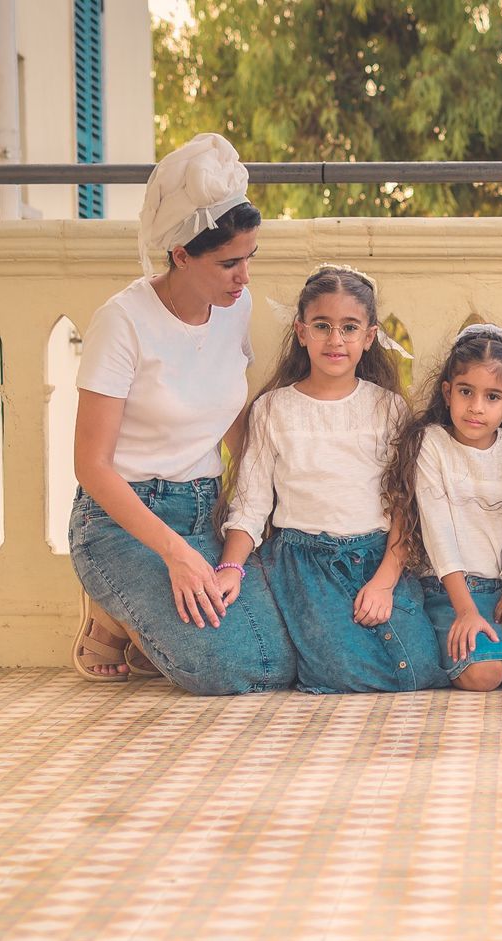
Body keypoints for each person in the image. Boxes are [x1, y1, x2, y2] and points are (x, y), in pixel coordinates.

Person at [66, 133, 295, 695]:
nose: (244, 278)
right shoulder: (122, 322)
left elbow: (230, 415)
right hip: (123, 521)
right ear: (180, 255)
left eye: (250, 259)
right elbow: (91, 466)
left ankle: (148, 624)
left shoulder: (231, 310)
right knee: (226, 669)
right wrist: (175, 555)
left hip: (203, 511)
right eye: (228, 264)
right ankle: (110, 610)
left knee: (280, 659)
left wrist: (262, 496)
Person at [214, 265, 447, 694]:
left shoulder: (389, 408)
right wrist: (230, 566)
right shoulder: (274, 409)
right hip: (304, 560)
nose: (335, 340)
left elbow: (404, 506)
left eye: (349, 328)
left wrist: (384, 580)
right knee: (340, 672)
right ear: (302, 332)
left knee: (417, 669)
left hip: (377, 555)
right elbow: (250, 502)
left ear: (369, 336)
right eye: (322, 326)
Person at [383, 326, 502, 692]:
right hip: (448, 592)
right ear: (448, 393)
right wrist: (465, 610)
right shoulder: (431, 443)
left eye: (492, 397)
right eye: (466, 392)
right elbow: (438, 533)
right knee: (485, 675)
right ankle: (478, 647)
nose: (476, 407)